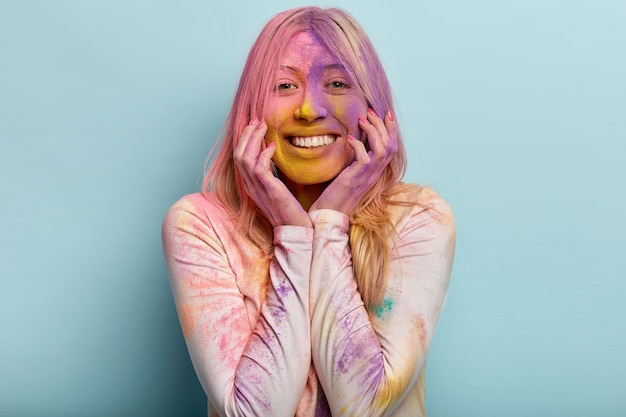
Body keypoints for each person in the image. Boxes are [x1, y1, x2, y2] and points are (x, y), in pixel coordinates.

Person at [162, 6, 455, 417]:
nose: (309, 109)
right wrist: (295, 235)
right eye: (284, 85)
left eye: (337, 83)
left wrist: (328, 222)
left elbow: (366, 408)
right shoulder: (197, 224)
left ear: (373, 106)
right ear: (250, 111)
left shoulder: (419, 217)